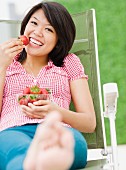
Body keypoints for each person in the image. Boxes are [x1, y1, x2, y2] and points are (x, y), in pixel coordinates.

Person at [0, 1, 96, 170]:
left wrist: (55, 112)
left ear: (59, 40)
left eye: (49, 29)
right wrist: (1, 66)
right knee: (19, 151)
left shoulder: (69, 63)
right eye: (34, 23)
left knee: (71, 144)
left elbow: (89, 122)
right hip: (13, 131)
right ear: (25, 26)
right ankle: (34, 163)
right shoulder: (4, 62)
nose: (37, 32)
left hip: (58, 129)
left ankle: (39, 162)